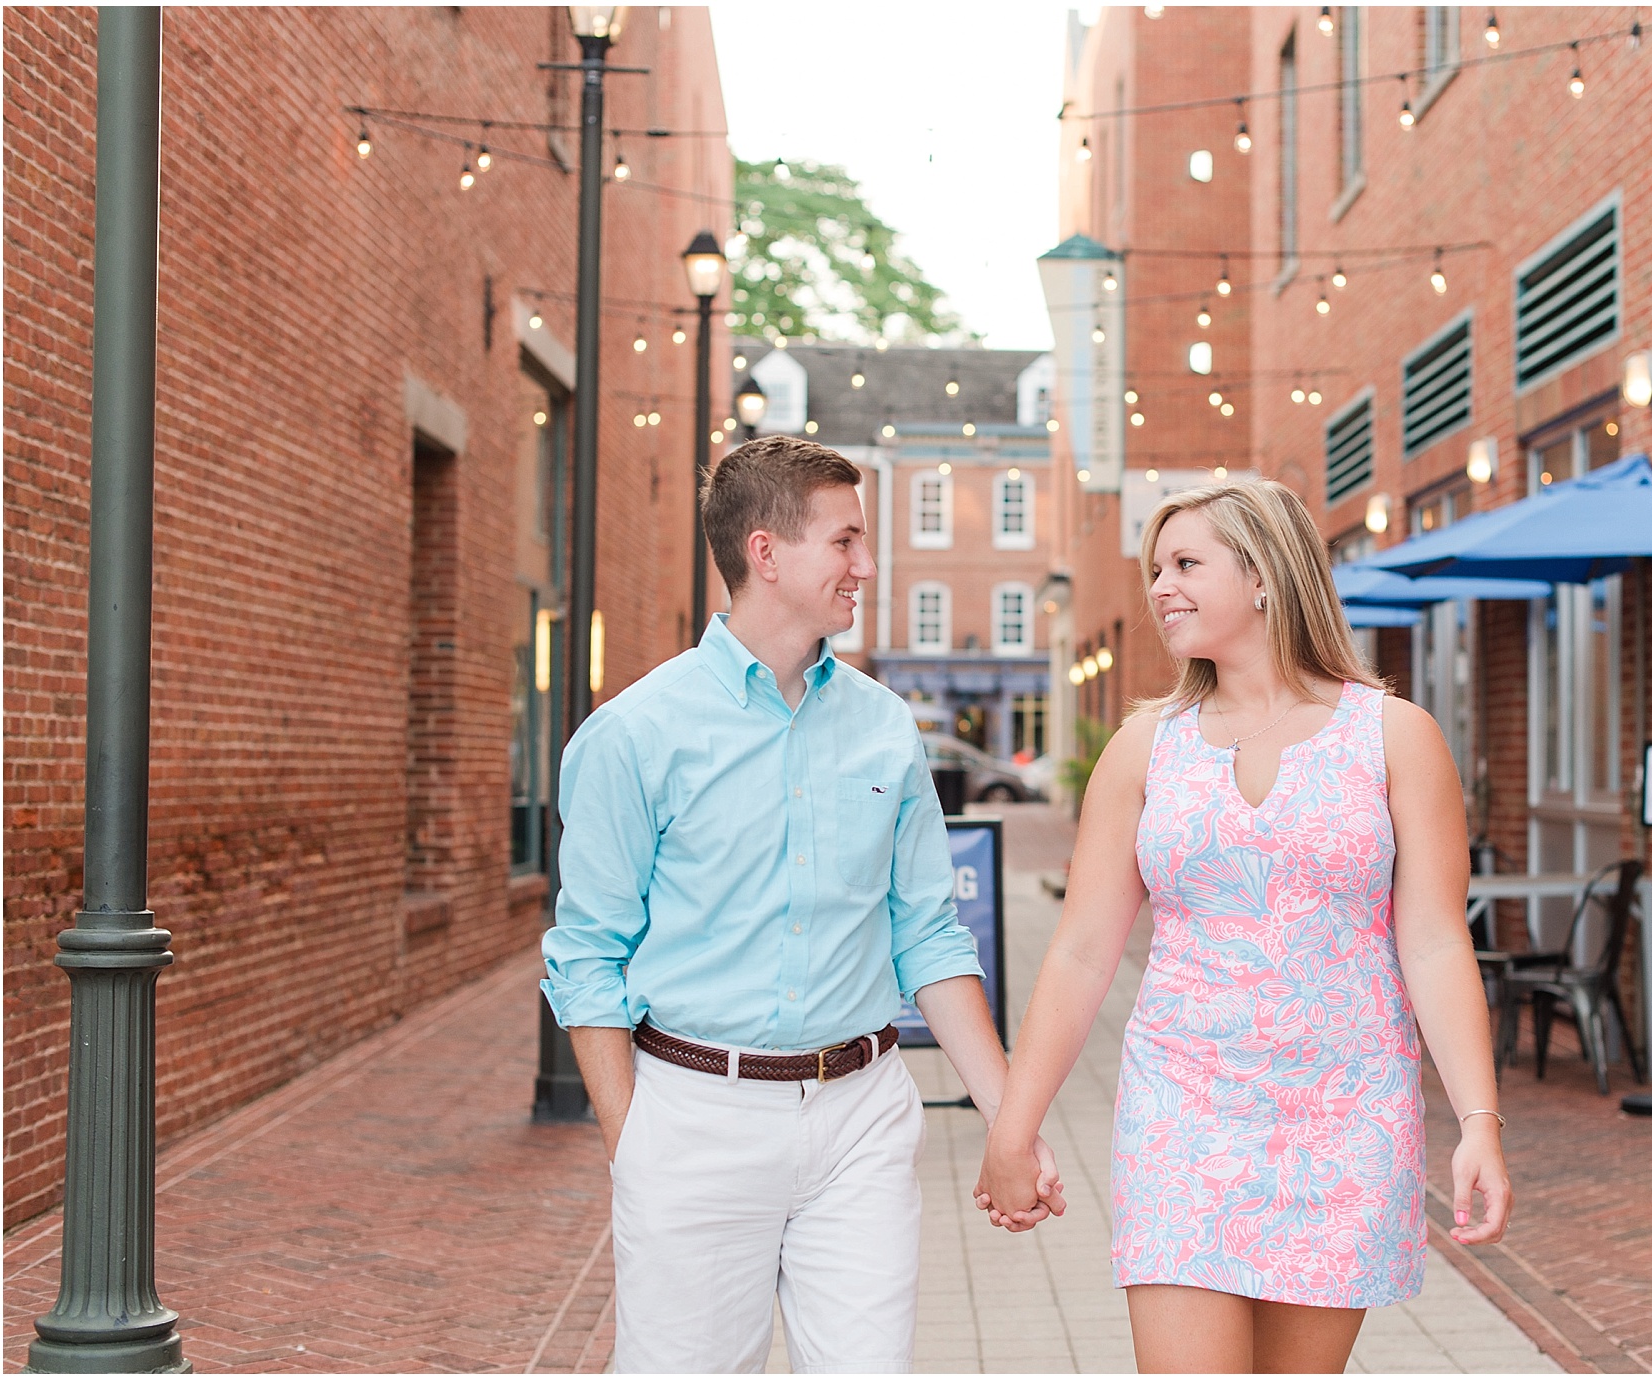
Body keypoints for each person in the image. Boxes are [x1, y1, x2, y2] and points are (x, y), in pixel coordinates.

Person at [540, 435, 1062, 1374]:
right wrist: (637, 1149)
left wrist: (1006, 1119)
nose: (867, 567)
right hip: (694, 1115)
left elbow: (929, 937)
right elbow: (586, 958)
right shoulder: (634, 735)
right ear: (766, 552)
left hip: (861, 1112)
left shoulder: (884, 726)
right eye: (845, 542)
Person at [976, 480, 1512, 1373]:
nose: (1160, 587)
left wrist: (1479, 1122)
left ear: (1264, 575)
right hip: (1183, 1112)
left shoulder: (1394, 737)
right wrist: (1013, 1129)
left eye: (1186, 563)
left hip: (1345, 1115)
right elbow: (1079, 952)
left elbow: (1433, 942)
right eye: (1155, 568)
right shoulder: (1146, 747)